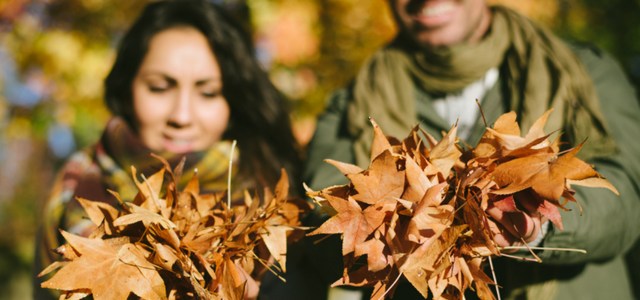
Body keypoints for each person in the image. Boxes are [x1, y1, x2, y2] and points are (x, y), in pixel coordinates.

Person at [304, 0, 640, 299]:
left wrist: (543, 226)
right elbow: (320, 222)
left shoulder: (580, 71)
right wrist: (393, 234)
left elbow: (627, 195)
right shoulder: (352, 103)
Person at [33, 1, 311, 299]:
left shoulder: (279, 192)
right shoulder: (78, 183)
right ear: (127, 91)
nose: (181, 115)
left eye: (208, 93)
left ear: (234, 103)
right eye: (159, 87)